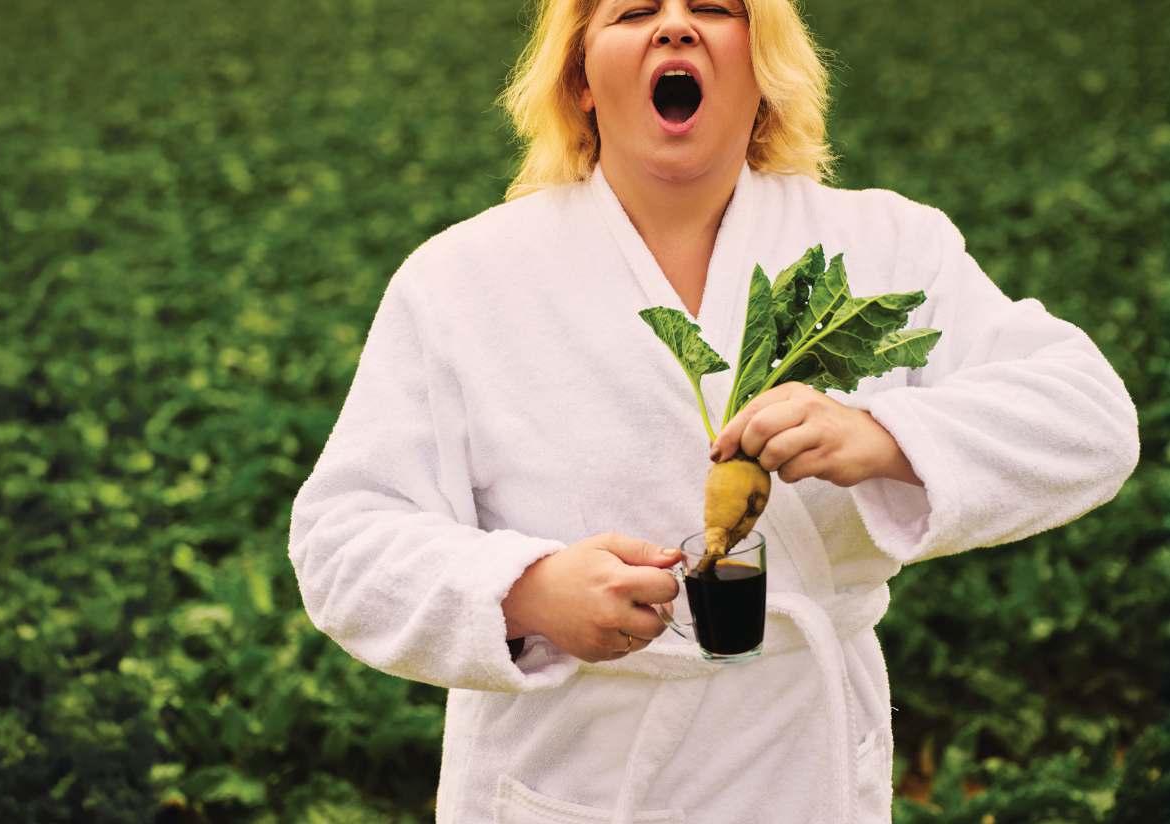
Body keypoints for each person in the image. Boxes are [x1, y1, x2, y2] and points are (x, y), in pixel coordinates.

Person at [287, 0, 1140, 821]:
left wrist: (883, 437)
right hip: (571, 781)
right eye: (632, 13)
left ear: (763, 64)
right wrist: (523, 592)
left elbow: (1089, 419)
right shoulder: (462, 280)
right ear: (580, 79)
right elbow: (343, 540)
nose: (674, 25)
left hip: (799, 766)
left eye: (714, 7)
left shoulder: (886, 246)